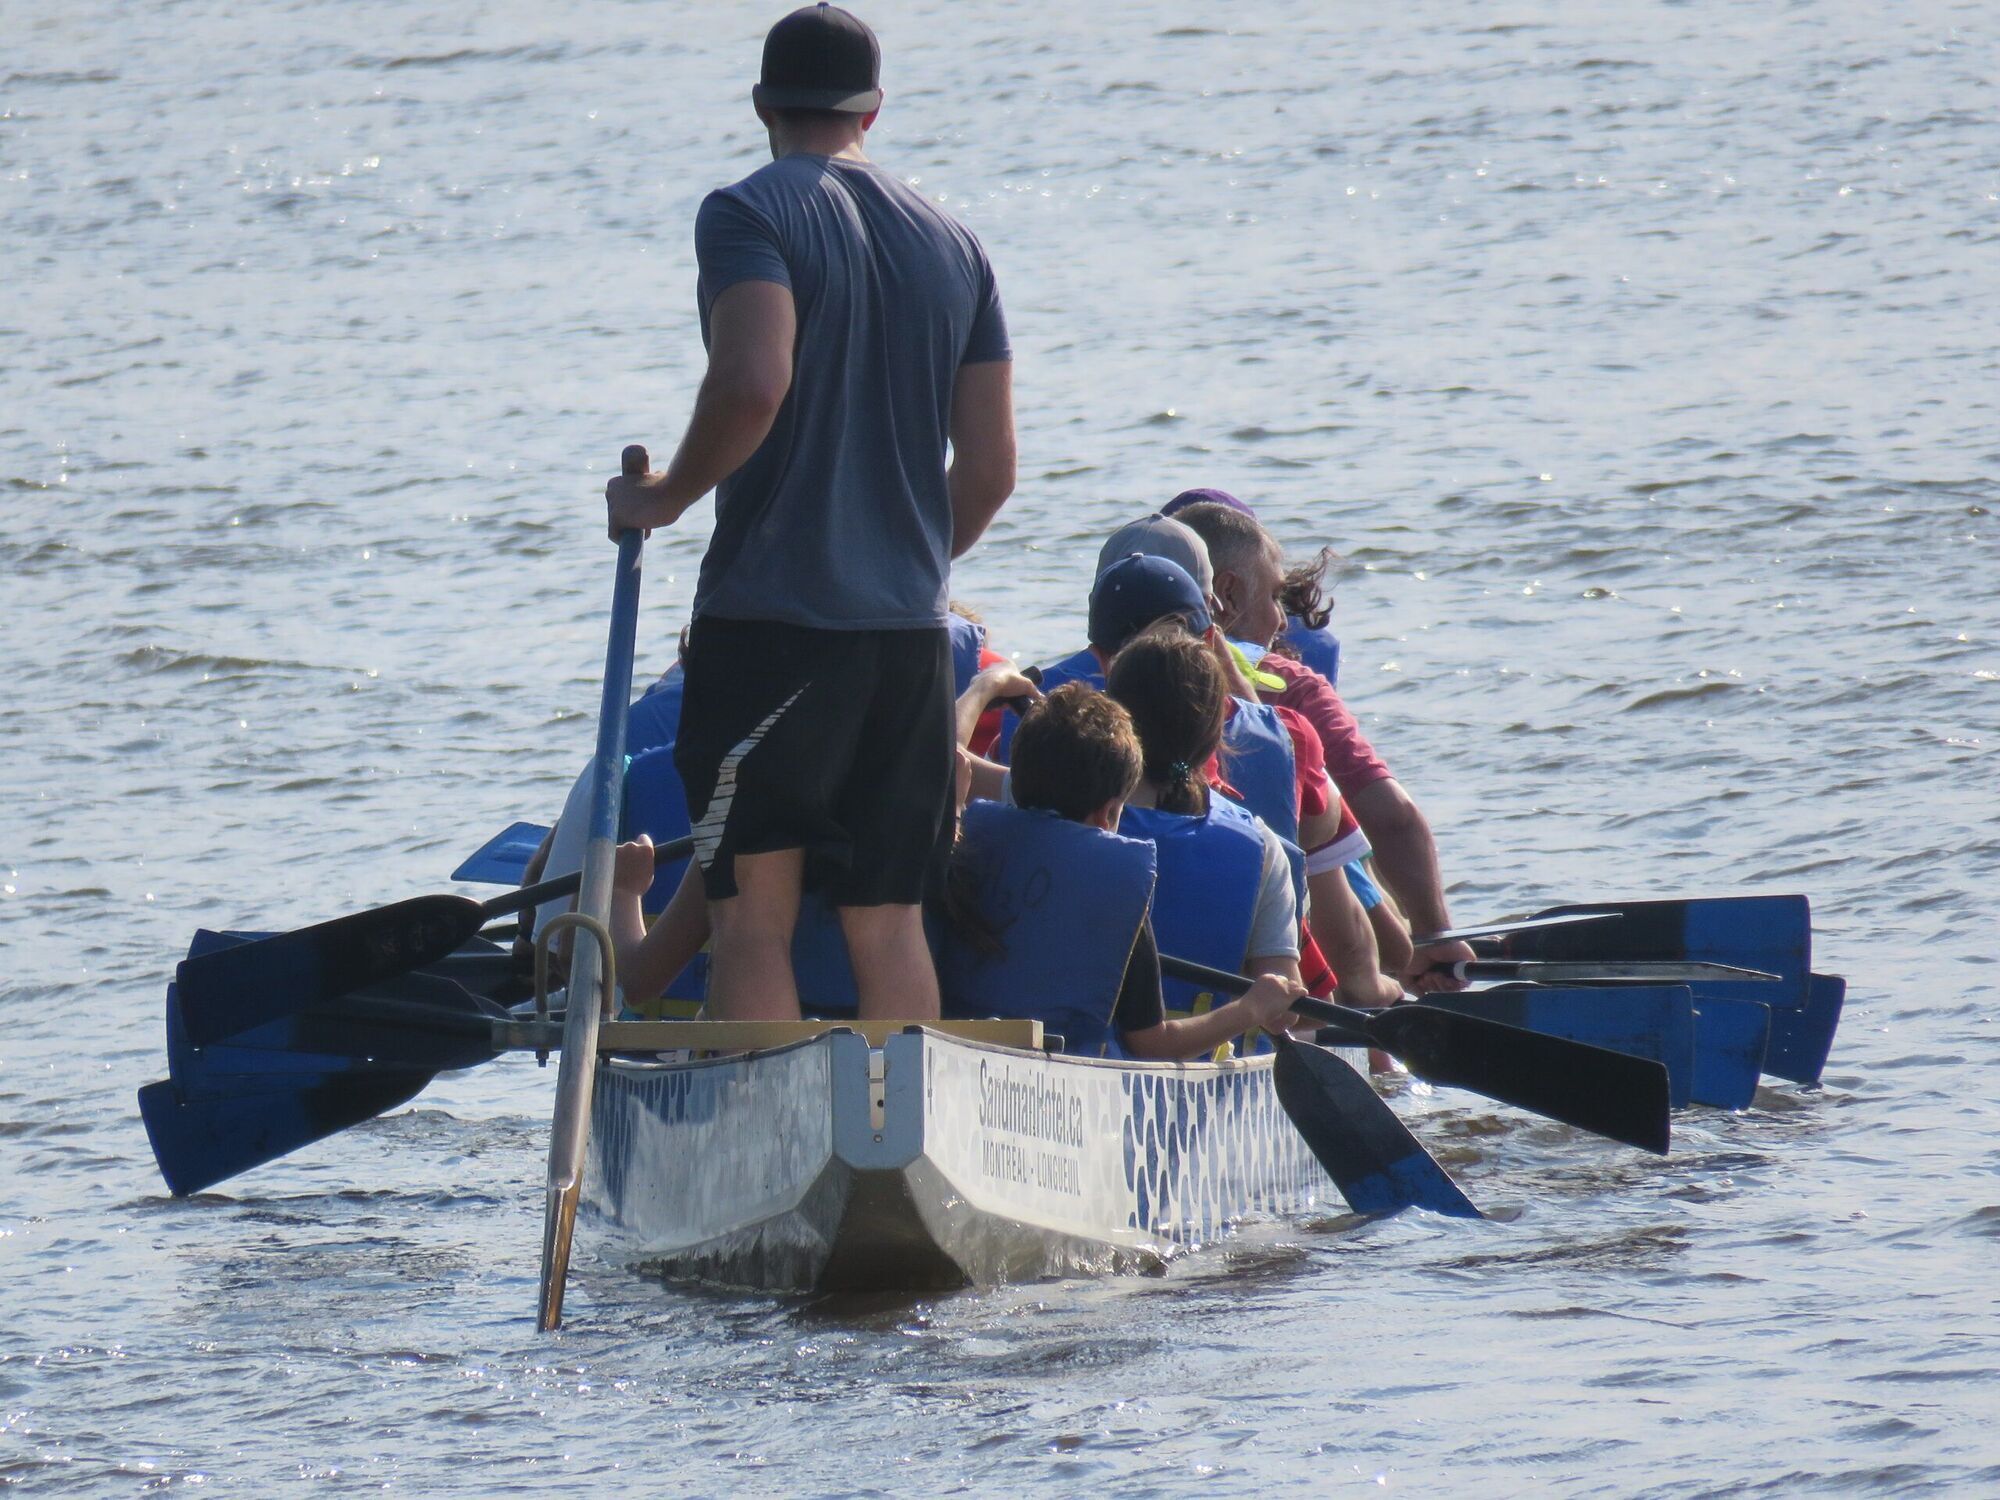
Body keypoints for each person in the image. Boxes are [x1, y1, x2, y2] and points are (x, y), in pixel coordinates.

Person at [602, 4, 1016, 1022]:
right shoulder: (958, 243)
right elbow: (994, 465)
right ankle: (901, 1156)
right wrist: (908, 563)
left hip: (774, 634)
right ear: (874, 106)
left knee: (752, 918)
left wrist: (662, 498)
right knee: (886, 923)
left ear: (759, 106)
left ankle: (768, 1165)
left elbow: (752, 381)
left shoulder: (748, 212)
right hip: (908, 643)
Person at [1167, 499, 1472, 990]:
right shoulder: (1288, 686)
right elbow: (1391, 816)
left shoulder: (1091, 683)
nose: (1282, 622)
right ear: (1226, 593)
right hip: (1279, 972)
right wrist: (1435, 932)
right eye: (1273, 596)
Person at [941, 683, 1305, 1058]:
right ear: (1109, 812)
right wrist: (1251, 1009)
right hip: (1061, 1083)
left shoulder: (963, 841)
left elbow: (949, 759)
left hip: (959, 1057)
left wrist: (985, 686)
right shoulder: (1118, 887)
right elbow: (1151, 1043)